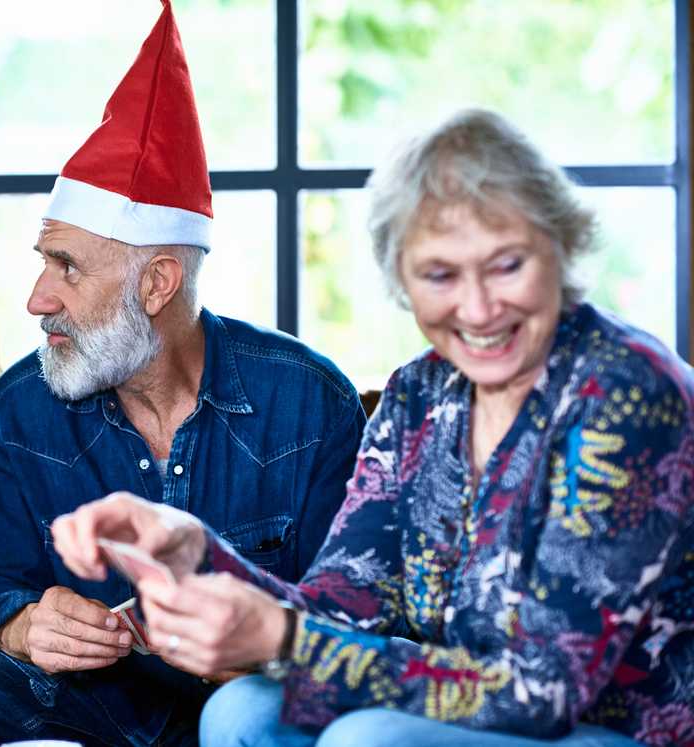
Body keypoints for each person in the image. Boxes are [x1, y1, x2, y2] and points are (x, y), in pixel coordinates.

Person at [52, 108, 694, 747]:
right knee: (241, 711)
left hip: (612, 728)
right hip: (472, 712)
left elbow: (545, 689)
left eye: (507, 266)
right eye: (440, 275)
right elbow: (340, 607)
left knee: (369, 740)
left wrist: (282, 637)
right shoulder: (419, 394)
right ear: (404, 281)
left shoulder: (626, 393)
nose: (477, 308)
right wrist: (193, 549)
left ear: (561, 246)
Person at [0, 4, 364, 746]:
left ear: (157, 283)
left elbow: (352, 619)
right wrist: (24, 625)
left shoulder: (311, 402)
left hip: (251, 703)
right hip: (86, 702)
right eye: (42, 261)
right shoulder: (19, 408)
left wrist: (246, 642)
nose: (35, 299)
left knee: (242, 715)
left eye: (67, 268)